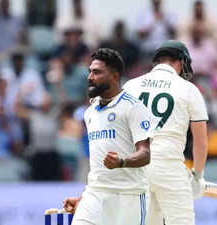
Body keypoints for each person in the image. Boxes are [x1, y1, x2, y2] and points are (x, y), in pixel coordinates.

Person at [123, 40, 209, 225]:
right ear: (180, 61)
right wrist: (198, 175)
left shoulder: (130, 85)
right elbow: (201, 140)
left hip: (136, 164)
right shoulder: (189, 89)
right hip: (168, 165)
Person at [63, 48, 151, 225]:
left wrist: (122, 162)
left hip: (129, 195)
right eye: (90, 71)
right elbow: (98, 168)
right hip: (94, 195)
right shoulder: (89, 112)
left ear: (114, 76)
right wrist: (82, 198)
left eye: (97, 72)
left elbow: (145, 153)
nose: (90, 77)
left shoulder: (133, 107)